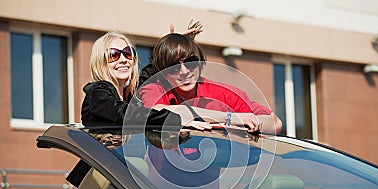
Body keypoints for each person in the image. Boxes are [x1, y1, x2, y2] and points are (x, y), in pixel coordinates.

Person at [138, 22, 282, 134]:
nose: (184, 71)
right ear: (164, 72)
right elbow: (157, 112)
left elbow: (275, 123)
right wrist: (230, 118)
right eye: (174, 67)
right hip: (165, 172)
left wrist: (241, 124)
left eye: (190, 62)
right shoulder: (154, 89)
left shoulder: (220, 91)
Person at [80, 30, 210, 139]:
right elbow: (125, 113)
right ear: (100, 61)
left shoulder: (129, 95)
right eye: (113, 55)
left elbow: (149, 74)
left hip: (120, 167)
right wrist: (174, 119)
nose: (123, 60)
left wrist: (171, 50)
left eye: (127, 53)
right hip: (101, 168)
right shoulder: (97, 92)